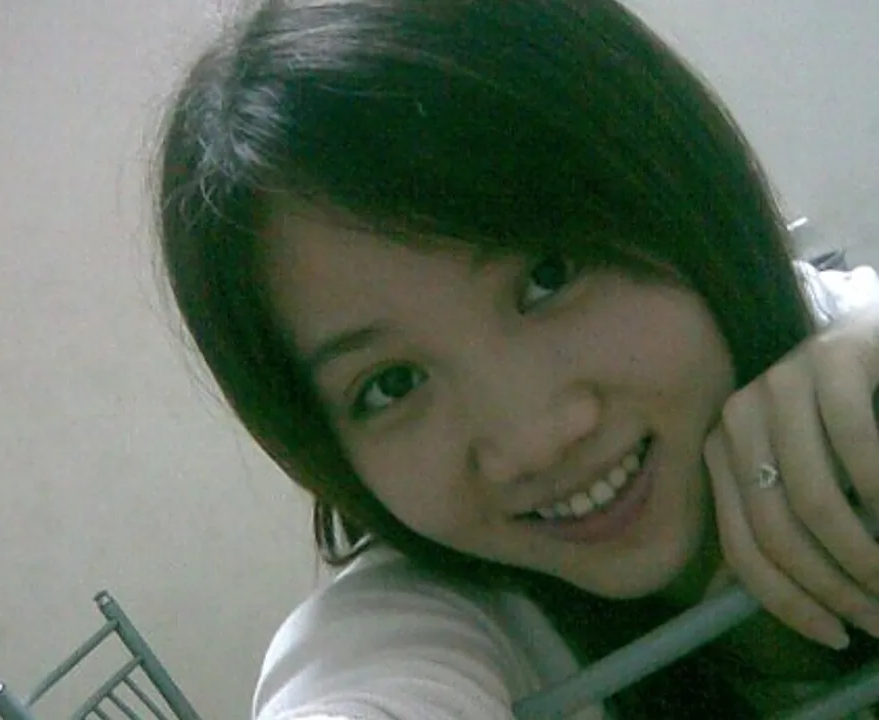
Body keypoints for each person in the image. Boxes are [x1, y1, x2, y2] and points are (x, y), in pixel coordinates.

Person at [152, 0, 879, 716]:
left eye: (549, 276)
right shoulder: (440, 624)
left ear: (676, 183)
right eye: (392, 384)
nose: (533, 441)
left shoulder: (842, 338)